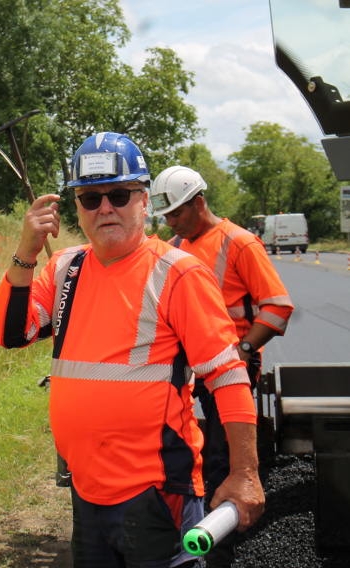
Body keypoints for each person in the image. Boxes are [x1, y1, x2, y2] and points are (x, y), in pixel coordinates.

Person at [0, 132, 265, 568]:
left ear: (143, 201)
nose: (105, 208)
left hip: (156, 493)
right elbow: (11, 333)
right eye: (90, 198)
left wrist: (245, 473)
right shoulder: (67, 267)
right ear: (76, 207)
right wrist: (26, 251)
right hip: (86, 490)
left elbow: (228, 377)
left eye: (119, 195)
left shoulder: (177, 273)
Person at [149, 165, 294, 567]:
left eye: (177, 212)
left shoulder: (240, 243)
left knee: (221, 453)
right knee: (179, 446)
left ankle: (221, 544)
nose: (172, 222)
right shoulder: (175, 244)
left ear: (199, 202)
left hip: (229, 366)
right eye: (167, 216)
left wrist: (244, 349)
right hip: (184, 367)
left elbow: (278, 307)